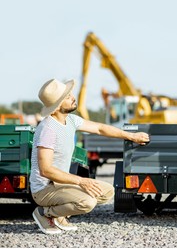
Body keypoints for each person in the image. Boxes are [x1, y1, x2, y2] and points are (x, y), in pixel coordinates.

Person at [30, 78, 150, 234]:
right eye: (67, 97)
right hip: (44, 189)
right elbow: (46, 170)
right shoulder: (48, 130)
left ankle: (58, 216)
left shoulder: (71, 120)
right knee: (87, 202)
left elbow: (100, 128)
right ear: (57, 106)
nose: (73, 97)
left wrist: (131, 136)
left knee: (106, 191)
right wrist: (81, 181)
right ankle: (44, 214)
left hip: (60, 184)